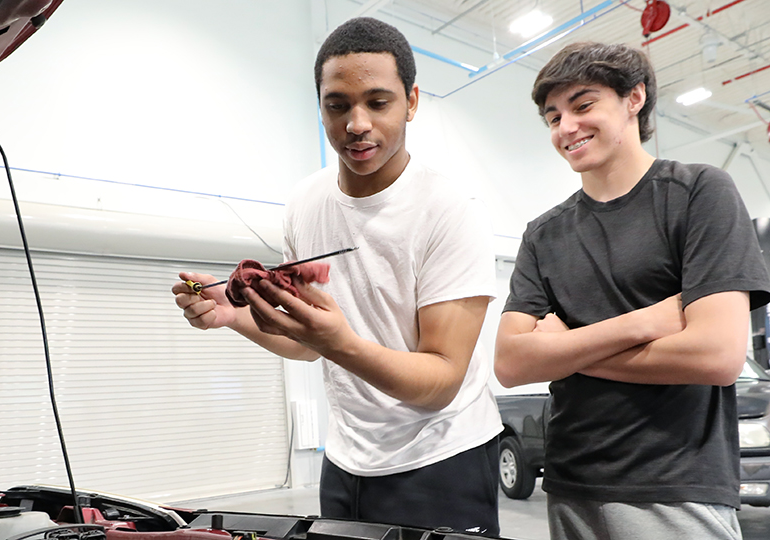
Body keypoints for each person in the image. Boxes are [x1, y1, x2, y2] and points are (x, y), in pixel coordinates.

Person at [172, 17, 501, 534]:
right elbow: (309, 345)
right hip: (346, 461)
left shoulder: (450, 210)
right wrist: (234, 316)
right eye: (337, 104)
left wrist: (341, 342)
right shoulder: (306, 203)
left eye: (378, 101)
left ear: (412, 101)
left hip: (442, 457)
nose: (356, 123)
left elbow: (440, 381)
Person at [495, 41, 770, 540]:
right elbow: (511, 364)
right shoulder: (543, 233)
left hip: (676, 486)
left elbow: (718, 355)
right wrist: (642, 323)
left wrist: (562, 350)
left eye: (583, 105)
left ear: (634, 98)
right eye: (553, 117)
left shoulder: (699, 194)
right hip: (570, 484)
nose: (566, 128)